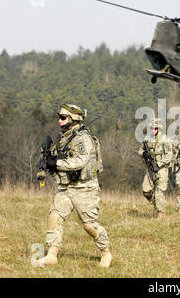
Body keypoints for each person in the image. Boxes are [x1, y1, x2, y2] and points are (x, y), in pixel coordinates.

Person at [37, 104, 112, 268]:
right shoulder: (65, 137)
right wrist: (49, 158)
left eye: (63, 118)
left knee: (89, 226)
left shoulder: (83, 138)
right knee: (54, 216)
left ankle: (106, 252)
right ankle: (52, 255)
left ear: (74, 119)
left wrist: (55, 163)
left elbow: (79, 162)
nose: (59, 121)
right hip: (66, 187)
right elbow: (60, 158)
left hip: (84, 188)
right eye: (59, 117)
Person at [138, 118, 173, 218]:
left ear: (159, 129)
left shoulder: (165, 140)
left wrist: (159, 163)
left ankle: (161, 214)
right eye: (152, 128)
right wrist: (144, 154)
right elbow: (140, 151)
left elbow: (169, 155)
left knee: (159, 191)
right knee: (146, 191)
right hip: (150, 170)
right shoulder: (147, 139)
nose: (153, 130)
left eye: (155, 128)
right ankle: (156, 205)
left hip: (161, 169)